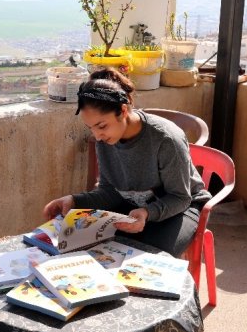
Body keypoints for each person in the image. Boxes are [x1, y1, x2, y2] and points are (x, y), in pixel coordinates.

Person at [42, 68, 211, 257]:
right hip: (133, 207)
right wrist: (74, 200)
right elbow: (110, 192)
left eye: (102, 126)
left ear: (122, 111)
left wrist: (147, 213)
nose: (97, 135)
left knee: (148, 260)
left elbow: (181, 197)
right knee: (87, 247)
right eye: (91, 128)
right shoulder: (105, 141)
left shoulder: (165, 139)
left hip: (179, 208)